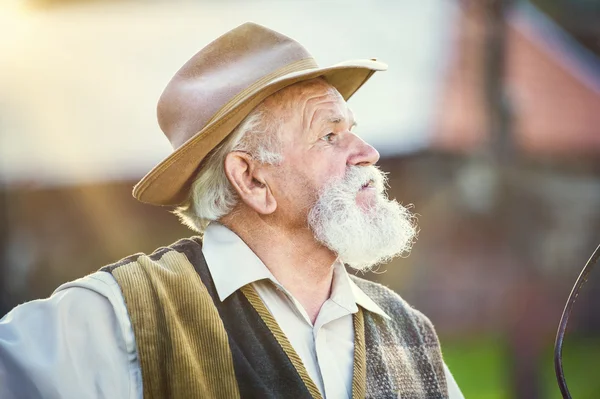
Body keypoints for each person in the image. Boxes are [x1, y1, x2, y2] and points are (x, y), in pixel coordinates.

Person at [0, 22, 464, 399]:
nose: (367, 152)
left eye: (353, 130)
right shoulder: (124, 316)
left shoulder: (408, 332)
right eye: (329, 135)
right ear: (252, 179)